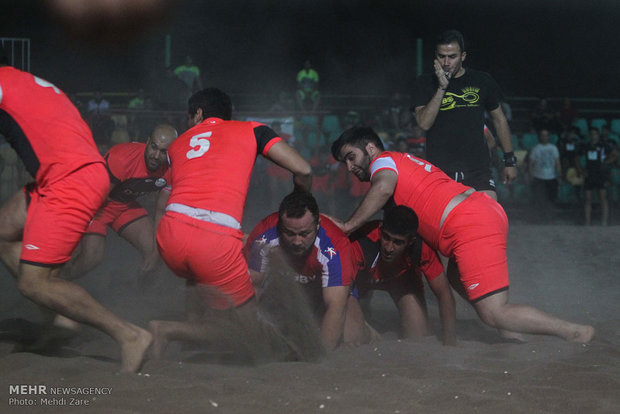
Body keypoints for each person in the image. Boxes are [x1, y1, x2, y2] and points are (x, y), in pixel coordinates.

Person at [329, 126, 594, 343]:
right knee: (457, 278)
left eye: (351, 157)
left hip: (471, 224)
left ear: (371, 148)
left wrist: (347, 226)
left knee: (493, 312)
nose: (350, 167)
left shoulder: (383, 162)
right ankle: (509, 327)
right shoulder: (401, 160)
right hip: (478, 213)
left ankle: (573, 332)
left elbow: (384, 188)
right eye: (345, 163)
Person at [0, 60, 151, 373]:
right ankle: (61, 311)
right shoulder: (29, 82)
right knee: (3, 230)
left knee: (33, 283)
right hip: (69, 175)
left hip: (70, 181)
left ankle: (129, 335)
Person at [148, 88, 312, 357]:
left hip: (171, 234)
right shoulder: (251, 130)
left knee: (194, 276)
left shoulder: (178, 145)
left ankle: (190, 336)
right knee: (247, 334)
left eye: (189, 118)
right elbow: (303, 169)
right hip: (213, 240)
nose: (189, 124)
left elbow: (165, 197)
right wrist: (301, 199)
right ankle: (167, 330)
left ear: (198, 113)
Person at [244, 191, 367, 350]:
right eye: (289, 233)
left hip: (327, 291)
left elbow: (335, 306)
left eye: (304, 234)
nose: (297, 241)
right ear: (280, 227)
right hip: (284, 291)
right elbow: (253, 288)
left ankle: (369, 330)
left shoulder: (335, 246)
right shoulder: (264, 235)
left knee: (352, 338)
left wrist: (319, 358)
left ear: (317, 225)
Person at [65, 124, 177, 286]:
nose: (155, 155)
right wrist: (72, 238)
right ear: (147, 142)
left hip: (124, 205)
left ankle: (140, 299)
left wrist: (154, 255)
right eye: (153, 147)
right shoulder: (122, 158)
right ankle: (58, 283)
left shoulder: (172, 169)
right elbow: (92, 198)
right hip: (97, 207)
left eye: (163, 152)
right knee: (91, 258)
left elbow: (161, 209)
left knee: (157, 251)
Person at [411, 29, 516, 201]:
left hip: (477, 169)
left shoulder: (482, 80)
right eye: (441, 56)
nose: (446, 62)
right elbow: (423, 124)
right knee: (446, 225)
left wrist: (509, 161)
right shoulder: (424, 83)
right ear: (435, 57)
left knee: (486, 217)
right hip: (440, 171)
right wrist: (442, 88)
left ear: (463, 56)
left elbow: (499, 120)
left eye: (452, 56)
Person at [350, 205, 456, 344]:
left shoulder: (421, 248)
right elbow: (339, 287)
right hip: (360, 281)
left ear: (411, 241)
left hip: (402, 283)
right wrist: (361, 325)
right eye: (386, 238)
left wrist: (450, 342)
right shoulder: (362, 242)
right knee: (353, 337)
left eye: (398, 242)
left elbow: (444, 294)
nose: (389, 248)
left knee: (419, 340)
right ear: (381, 229)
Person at [576, 127, 617, 226]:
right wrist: (581, 170)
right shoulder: (585, 146)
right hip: (589, 173)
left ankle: (604, 221)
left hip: (600, 174)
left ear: (597, 135)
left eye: (595, 134)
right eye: (591, 134)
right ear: (589, 135)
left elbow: (615, 154)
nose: (593, 136)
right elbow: (576, 158)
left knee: (602, 198)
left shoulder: (603, 145)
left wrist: (606, 162)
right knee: (588, 199)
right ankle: (587, 221)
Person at [528, 128, 561, 222]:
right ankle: (540, 218)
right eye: (543, 135)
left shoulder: (553, 148)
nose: (544, 137)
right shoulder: (536, 148)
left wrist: (559, 175)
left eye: (546, 135)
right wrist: (531, 175)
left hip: (551, 177)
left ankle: (550, 218)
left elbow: (557, 163)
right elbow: (531, 163)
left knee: (551, 199)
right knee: (539, 199)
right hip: (539, 177)